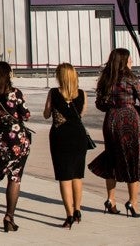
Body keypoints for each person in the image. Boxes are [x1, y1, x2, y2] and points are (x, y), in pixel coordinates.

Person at [88, 48, 140, 218]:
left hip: (111, 121)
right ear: (124, 61)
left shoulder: (106, 79)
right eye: (130, 59)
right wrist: (132, 108)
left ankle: (111, 199)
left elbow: (100, 104)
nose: (132, 61)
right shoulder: (132, 79)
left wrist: (113, 108)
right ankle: (133, 202)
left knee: (111, 157)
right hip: (130, 120)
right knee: (134, 158)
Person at [0, 61, 31, 233]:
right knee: (14, 177)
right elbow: (26, 115)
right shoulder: (14, 94)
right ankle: (9, 216)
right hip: (16, 140)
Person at [44, 62, 91, 228]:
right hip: (78, 135)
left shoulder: (53, 92)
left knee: (64, 176)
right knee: (77, 174)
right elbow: (81, 114)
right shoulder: (82, 94)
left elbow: (46, 114)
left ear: (60, 77)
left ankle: (69, 215)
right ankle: (78, 209)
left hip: (60, 136)